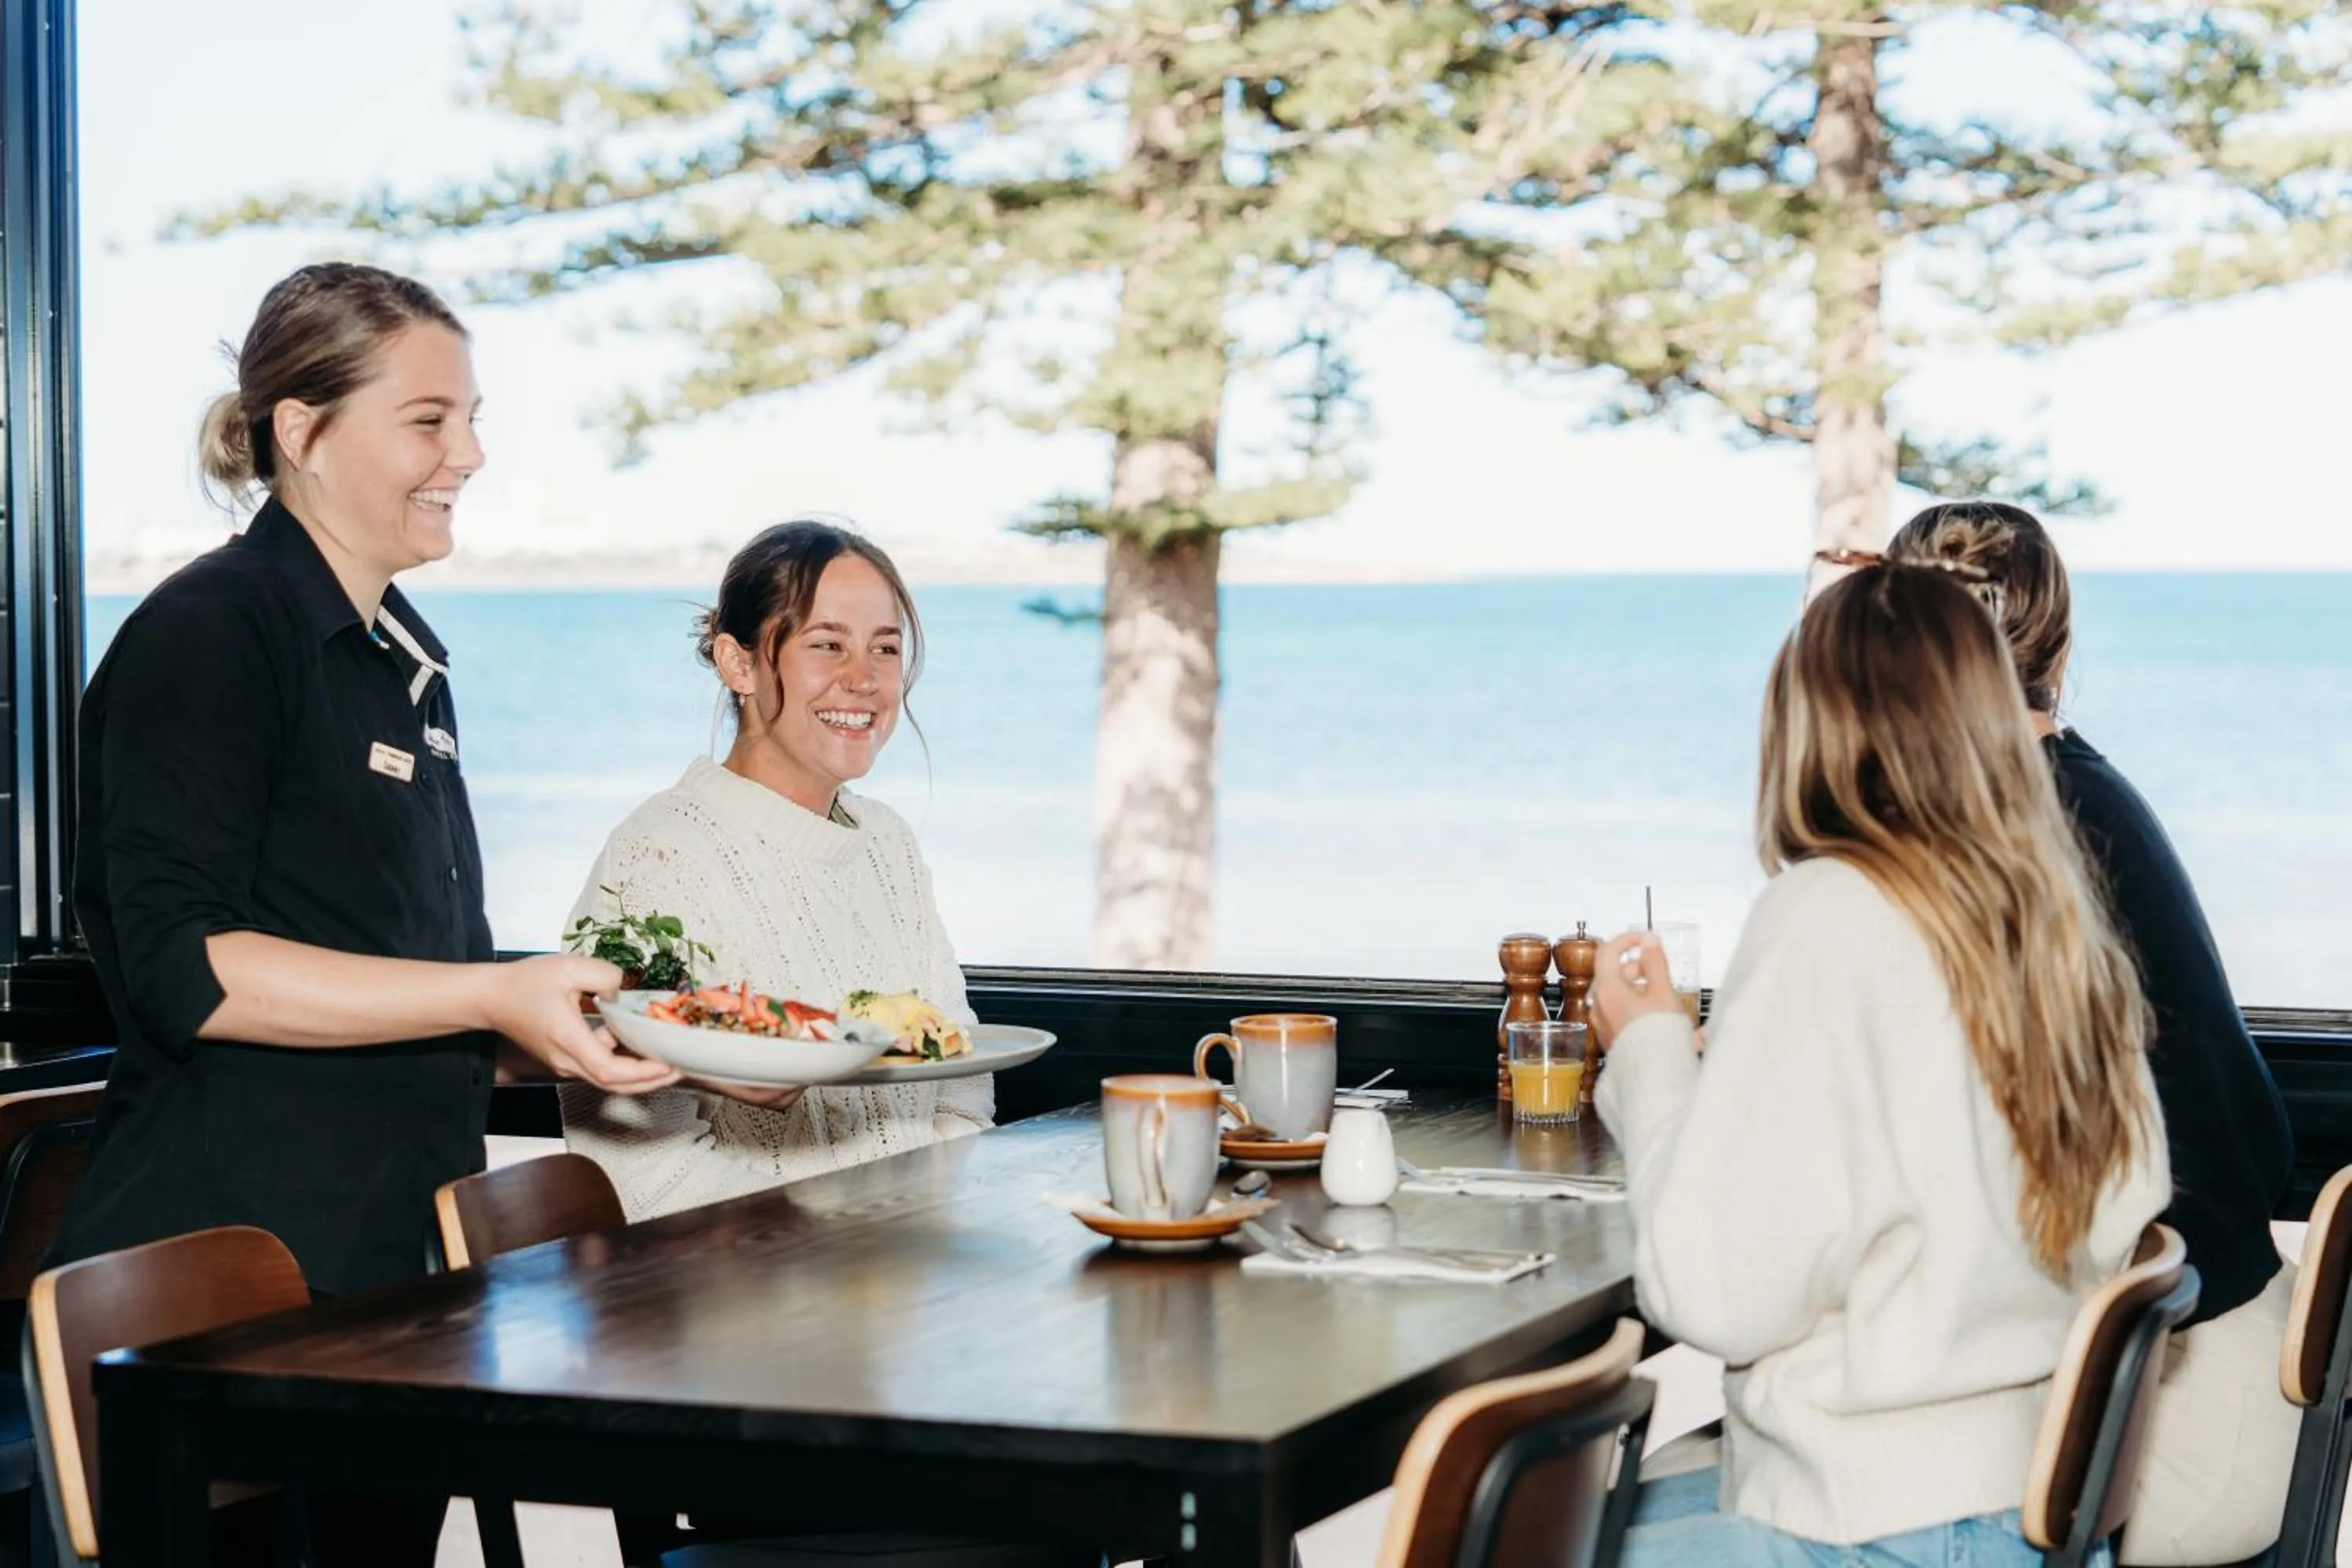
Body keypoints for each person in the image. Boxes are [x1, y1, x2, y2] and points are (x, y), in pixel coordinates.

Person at [53, 262, 673, 1566]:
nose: (471, 453)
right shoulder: (207, 637)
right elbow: (188, 974)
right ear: (302, 429)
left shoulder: (402, 656)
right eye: (430, 419)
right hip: (227, 1290)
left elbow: (399, 967)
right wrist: (485, 995)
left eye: (472, 417)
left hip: (387, 1275)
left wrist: (557, 1023)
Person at [1588, 557, 2170, 1566]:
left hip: (1865, 1530)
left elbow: (1711, 1294)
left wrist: (1646, 1045)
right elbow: (2126, 1198)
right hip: (2023, 1512)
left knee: (1493, 1534)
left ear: (1806, 729)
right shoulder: (2053, 919)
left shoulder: (1826, 914)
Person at [1889, 501, 2297, 1564]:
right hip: (2222, 1371)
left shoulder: (2013, 843)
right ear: (2059, 649)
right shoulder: (2084, 792)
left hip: (2162, 1433)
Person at [560, 519, 991, 1220]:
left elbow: (958, 1081)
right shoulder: (659, 855)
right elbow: (637, 1169)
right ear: (738, 665)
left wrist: (918, 1237)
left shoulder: (888, 843)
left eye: (885, 648)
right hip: (749, 1299)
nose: (865, 679)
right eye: (827, 645)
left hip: (912, 1277)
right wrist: (847, 1246)